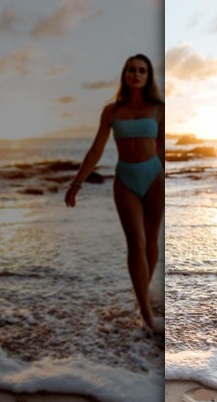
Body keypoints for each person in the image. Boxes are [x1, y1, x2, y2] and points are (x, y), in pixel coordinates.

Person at [65, 54, 165, 334]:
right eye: (131, 69)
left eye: (142, 70)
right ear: (125, 74)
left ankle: (141, 295)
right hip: (125, 179)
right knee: (136, 241)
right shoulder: (111, 111)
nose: (136, 74)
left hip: (154, 177)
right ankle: (146, 314)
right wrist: (77, 183)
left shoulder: (159, 109)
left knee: (151, 242)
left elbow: (163, 150)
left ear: (148, 76)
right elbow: (96, 150)